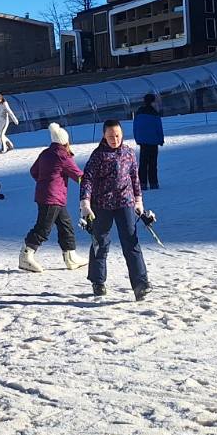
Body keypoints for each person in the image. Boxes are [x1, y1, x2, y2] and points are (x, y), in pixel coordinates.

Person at [78, 119, 151, 300]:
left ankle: (140, 284)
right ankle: (98, 281)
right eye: (111, 136)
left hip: (125, 202)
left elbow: (135, 178)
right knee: (100, 242)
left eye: (117, 135)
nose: (115, 139)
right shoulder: (98, 156)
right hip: (102, 204)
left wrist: (139, 201)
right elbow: (87, 180)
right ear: (104, 135)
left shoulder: (128, 152)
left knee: (131, 241)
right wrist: (85, 203)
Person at [20, 122, 85, 273]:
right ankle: (26, 255)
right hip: (53, 197)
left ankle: (70, 256)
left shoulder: (45, 153)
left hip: (47, 196)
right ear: (65, 141)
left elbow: (34, 171)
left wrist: (44, 182)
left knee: (65, 225)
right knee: (43, 227)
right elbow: (78, 176)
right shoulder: (63, 156)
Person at [133, 93, 164, 190]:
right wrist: (161, 139)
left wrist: (137, 138)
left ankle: (142, 183)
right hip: (153, 142)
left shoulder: (139, 113)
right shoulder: (155, 113)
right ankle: (153, 183)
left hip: (143, 141)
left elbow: (135, 127)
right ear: (153, 102)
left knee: (143, 163)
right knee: (152, 163)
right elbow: (159, 128)